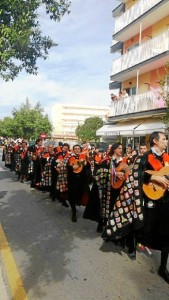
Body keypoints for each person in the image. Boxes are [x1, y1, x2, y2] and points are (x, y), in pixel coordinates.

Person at [136, 131, 169, 283]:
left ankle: (163, 267)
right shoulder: (146, 156)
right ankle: (134, 241)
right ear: (155, 141)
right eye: (164, 139)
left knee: (167, 234)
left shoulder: (167, 157)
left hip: (166, 200)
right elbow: (139, 173)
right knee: (146, 228)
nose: (166, 141)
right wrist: (156, 177)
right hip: (152, 200)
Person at [67, 144, 92, 222]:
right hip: (72, 180)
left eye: (78, 149)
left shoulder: (84, 158)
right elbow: (67, 168)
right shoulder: (70, 158)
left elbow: (88, 168)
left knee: (82, 193)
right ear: (73, 150)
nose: (77, 150)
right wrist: (72, 168)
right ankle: (74, 212)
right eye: (75, 149)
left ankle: (79, 203)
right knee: (72, 196)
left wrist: (86, 165)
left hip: (82, 180)